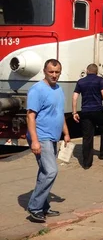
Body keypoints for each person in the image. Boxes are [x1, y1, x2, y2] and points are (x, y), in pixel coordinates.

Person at [27, 59, 70, 223]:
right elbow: (30, 116)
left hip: (53, 137)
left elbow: (59, 113)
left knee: (44, 172)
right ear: (44, 71)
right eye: (51, 72)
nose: (54, 75)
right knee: (51, 171)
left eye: (57, 72)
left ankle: (43, 206)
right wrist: (35, 141)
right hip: (41, 136)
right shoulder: (37, 90)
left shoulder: (58, 89)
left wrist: (66, 132)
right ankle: (35, 208)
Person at [72, 63, 103, 169]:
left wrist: (74, 112)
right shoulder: (100, 80)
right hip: (98, 111)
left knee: (87, 137)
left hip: (85, 112)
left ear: (87, 71)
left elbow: (74, 97)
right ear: (97, 72)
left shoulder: (80, 82)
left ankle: (86, 164)